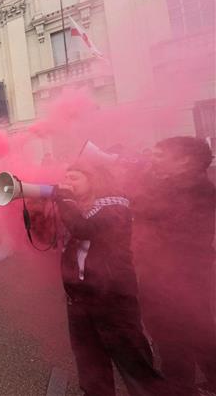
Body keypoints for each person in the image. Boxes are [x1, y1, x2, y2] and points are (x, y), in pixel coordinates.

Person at [54, 162, 167, 396]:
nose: (67, 183)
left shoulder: (115, 206)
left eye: (74, 178)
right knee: (89, 360)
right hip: (80, 295)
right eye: (65, 178)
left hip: (112, 295)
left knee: (132, 358)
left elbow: (84, 229)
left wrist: (63, 200)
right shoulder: (77, 207)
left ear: (93, 180)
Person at [131, 137, 216, 394]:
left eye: (160, 154)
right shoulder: (179, 184)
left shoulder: (193, 189)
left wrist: (141, 178)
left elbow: (145, 209)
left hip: (175, 275)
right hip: (172, 273)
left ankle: (181, 388)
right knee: (195, 331)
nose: (152, 158)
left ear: (184, 160)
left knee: (174, 339)